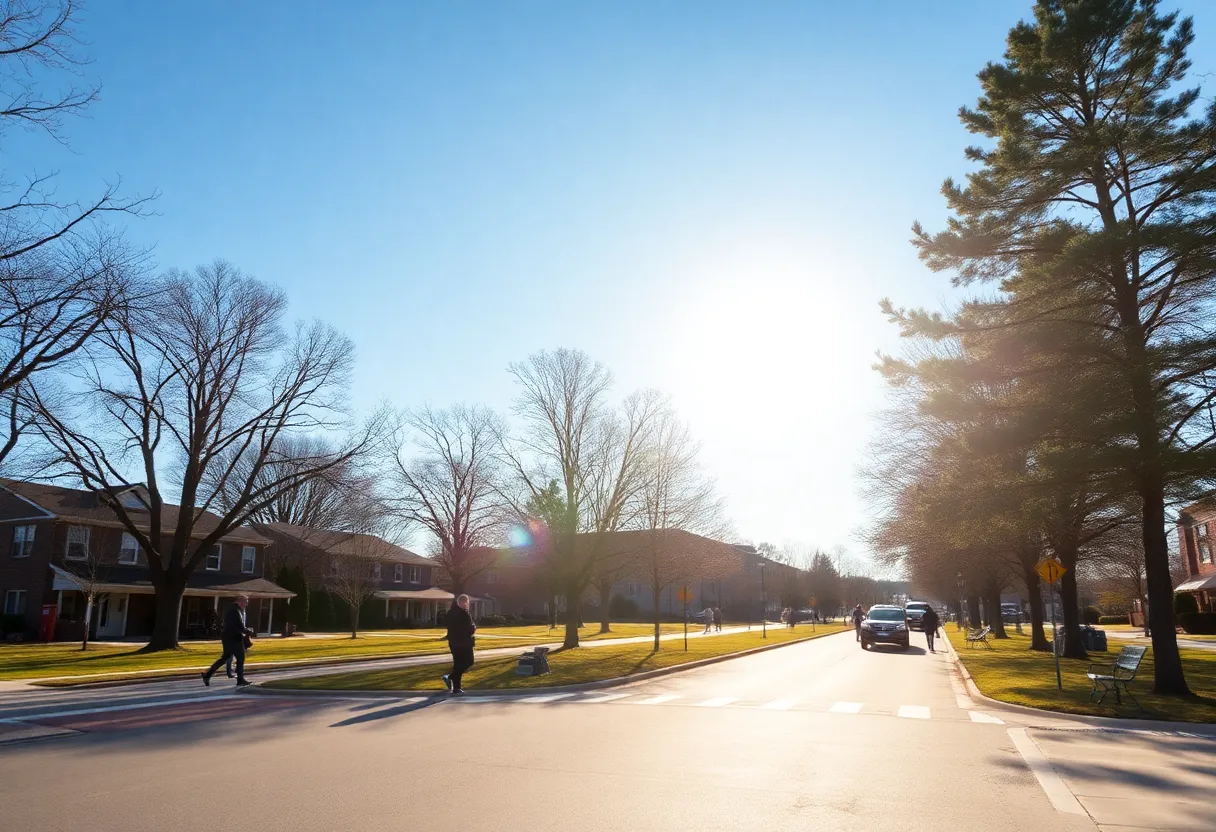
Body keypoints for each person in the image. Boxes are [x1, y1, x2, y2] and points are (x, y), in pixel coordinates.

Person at [202, 595, 254, 687]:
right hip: (234, 638)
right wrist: (248, 631)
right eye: (245, 602)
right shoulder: (236, 611)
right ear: (240, 602)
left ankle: (208, 674)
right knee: (240, 658)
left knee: (225, 658)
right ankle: (240, 679)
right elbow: (239, 626)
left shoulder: (231, 610)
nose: (246, 605)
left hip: (227, 638)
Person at [442, 594, 477, 694]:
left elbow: (447, 624)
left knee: (457, 664)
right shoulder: (464, 614)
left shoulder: (450, 612)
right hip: (464, 643)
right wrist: (473, 628)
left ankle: (456, 688)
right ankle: (450, 677)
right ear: (463, 602)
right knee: (469, 661)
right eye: (467, 602)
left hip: (453, 643)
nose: (467, 605)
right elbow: (469, 629)